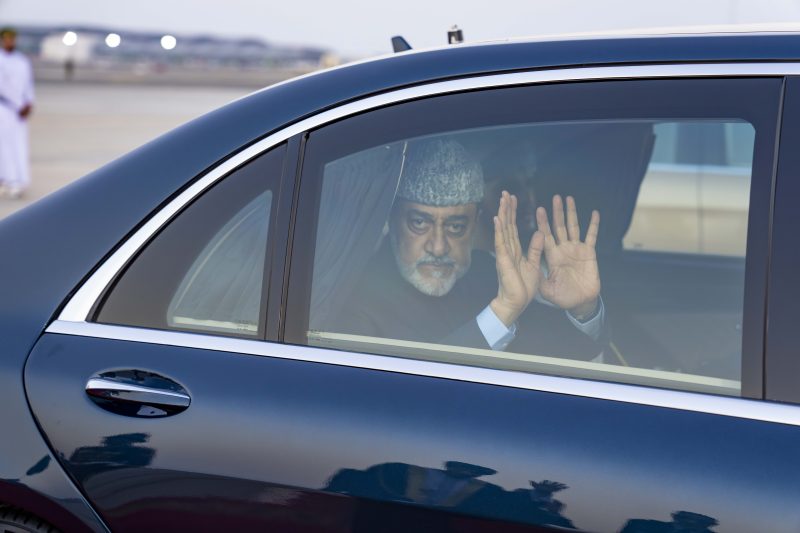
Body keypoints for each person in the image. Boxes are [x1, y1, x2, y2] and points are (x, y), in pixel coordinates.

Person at [336, 138, 605, 358]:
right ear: (391, 219)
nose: (438, 246)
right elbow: (399, 402)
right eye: (419, 222)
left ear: (475, 224)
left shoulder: (491, 276)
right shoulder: (353, 301)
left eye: (455, 226)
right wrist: (501, 314)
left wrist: (584, 310)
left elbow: (573, 358)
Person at [0, 27, 34, 199]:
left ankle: (20, 180)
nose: (10, 42)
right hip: (4, 108)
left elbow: (28, 84)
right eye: (7, 39)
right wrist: (18, 104)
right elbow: (3, 87)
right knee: (4, 146)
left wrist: (29, 102)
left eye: (12, 39)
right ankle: (7, 180)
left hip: (21, 111)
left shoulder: (22, 61)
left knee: (19, 145)